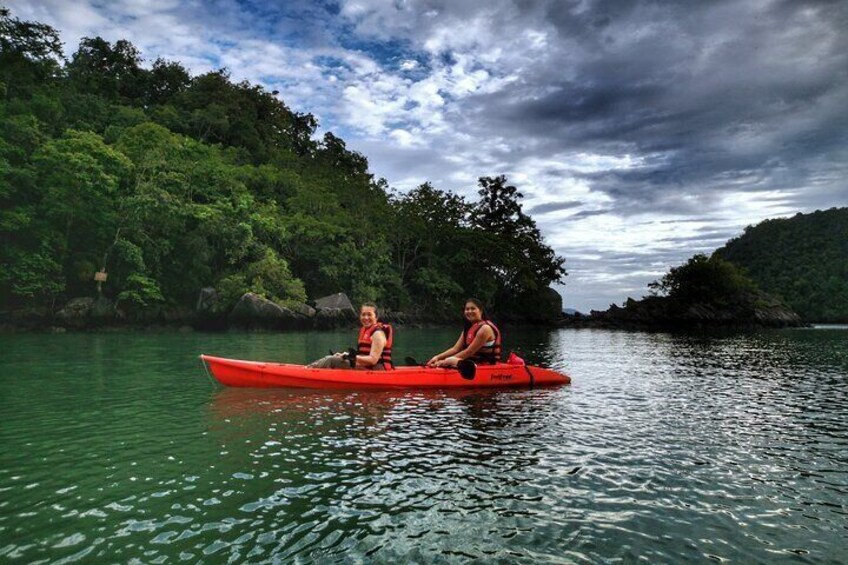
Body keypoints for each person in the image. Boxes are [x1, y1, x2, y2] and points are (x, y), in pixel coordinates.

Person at [308, 302, 394, 370]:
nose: (366, 317)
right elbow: (362, 356)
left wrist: (350, 357)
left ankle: (307, 371)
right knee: (334, 357)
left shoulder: (377, 334)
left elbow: (373, 360)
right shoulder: (365, 331)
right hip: (365, 367)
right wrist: (345, 355)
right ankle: (308, 368)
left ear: (376, 317)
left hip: (376, 371)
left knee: (331, 360)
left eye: (369, 314)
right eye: (363, 314)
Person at [427, 298, 502, 367]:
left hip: (487, 365)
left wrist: (443, 362)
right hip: (471, 363)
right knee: (448, 360)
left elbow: (469, 352)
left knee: (450, 360)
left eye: (473, 309)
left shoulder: (485, 329)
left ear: (481, 311)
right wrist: (437, 357)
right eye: (467, 309)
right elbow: (455, 349)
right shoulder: (468, 328)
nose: (469, 311)